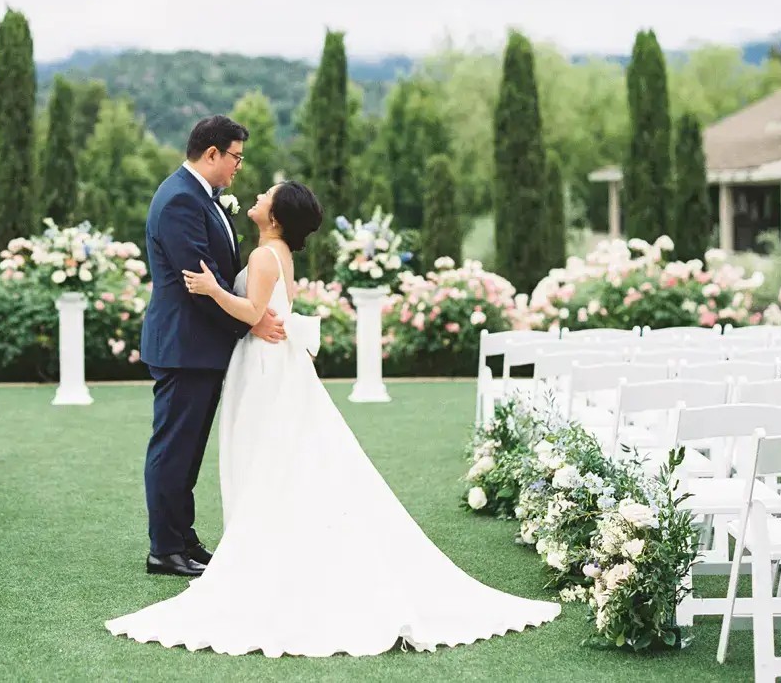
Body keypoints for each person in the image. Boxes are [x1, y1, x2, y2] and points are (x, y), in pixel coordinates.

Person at [108, 179, 560, 656]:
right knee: (284, 455)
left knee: (266, 455)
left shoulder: (265, 256)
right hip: (272, 363)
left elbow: (253, 312)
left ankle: (263, 552)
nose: (258, 196)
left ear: (277, 217)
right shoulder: (277, 251)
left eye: (267, 196)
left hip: (265, 366)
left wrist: (211, 288)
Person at [137, 116, 287, 578]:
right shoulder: (181, 199)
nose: (239, 167)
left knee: (188, 451)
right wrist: (251, 320)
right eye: (236, 157)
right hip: (184, 344)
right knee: (172, 449)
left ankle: (183, 539)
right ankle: (164, 549)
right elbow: (196, 284)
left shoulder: (200, 196)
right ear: (212, 154)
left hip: (198, 346)